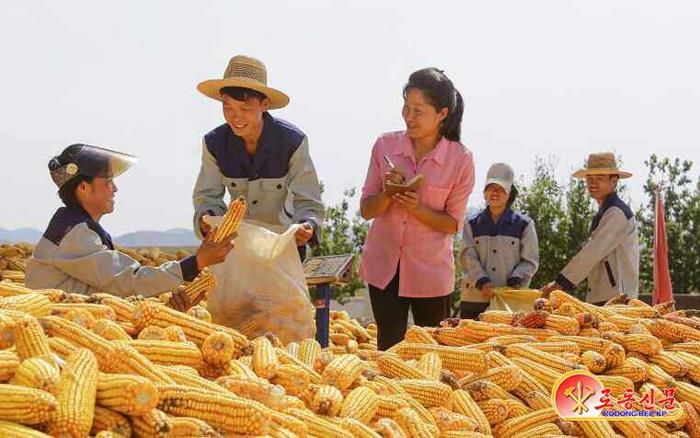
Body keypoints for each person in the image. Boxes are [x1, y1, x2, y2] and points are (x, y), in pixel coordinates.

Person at [26, 144, 234, 309]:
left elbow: (107, 294)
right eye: (108, 182)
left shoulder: (78, 229)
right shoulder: (74, 234)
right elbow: (129, 281)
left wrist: (169, 308)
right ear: (83, 188)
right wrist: (197, 262)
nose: (114, 188)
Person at [359, 67, 475, 350]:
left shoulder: (460, 160)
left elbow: (452, 224)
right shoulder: (384, 146)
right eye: (406, 108)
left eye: (418, 111)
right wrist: (389, 193)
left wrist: (416, 208)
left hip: (431, 275)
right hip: (383, 266)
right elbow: (366, 209)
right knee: (388, 349)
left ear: (442, 114)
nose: (409, 117)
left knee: (432, 352)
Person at [193, 54, 324, 259]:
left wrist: (307, 225)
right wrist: (206, 218)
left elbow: (309, 202)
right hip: (237, 250)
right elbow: (207, 197)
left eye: (244, 108)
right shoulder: (214, 144)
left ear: (265, 105)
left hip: (283, 248)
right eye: (227, 107)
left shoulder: (292, 142)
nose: (235, 117)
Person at [541, 152, 639, 304]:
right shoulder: (606, 212)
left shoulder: (616, 213)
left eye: (599, 179)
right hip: (604, 294)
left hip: (616, 297)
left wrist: (561, 282)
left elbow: (593, 251)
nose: (593, 183)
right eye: (589, 179)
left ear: (614, 181)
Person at [459, 163, 539, 319]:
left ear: (509, 193)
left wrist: (517, 279)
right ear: (484, 192)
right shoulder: (471, 223)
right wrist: (482, 281)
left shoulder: (524, 225)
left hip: (509, 302)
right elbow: (467, 256)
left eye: (500, 188)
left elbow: (530, 260)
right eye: (490, 187)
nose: (494, 192)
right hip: (474, 299)